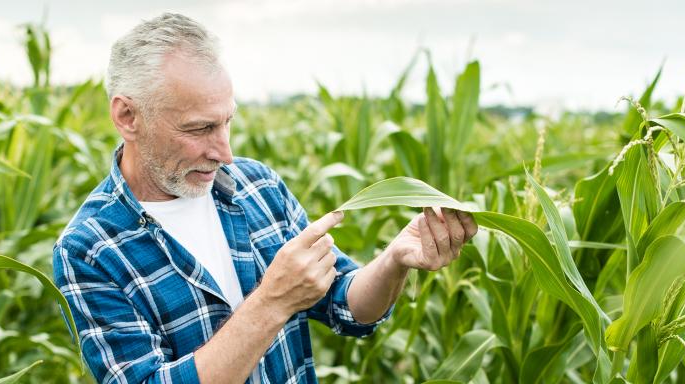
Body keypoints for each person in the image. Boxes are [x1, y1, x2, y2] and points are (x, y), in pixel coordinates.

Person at [53, 12, 477, 384]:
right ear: (127, 116)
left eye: (226, 123)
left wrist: (393, 261)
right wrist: (272, 301)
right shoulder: (89, 251)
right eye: (200, 129)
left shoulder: (257, 185)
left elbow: (345, 304)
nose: (225, 152)